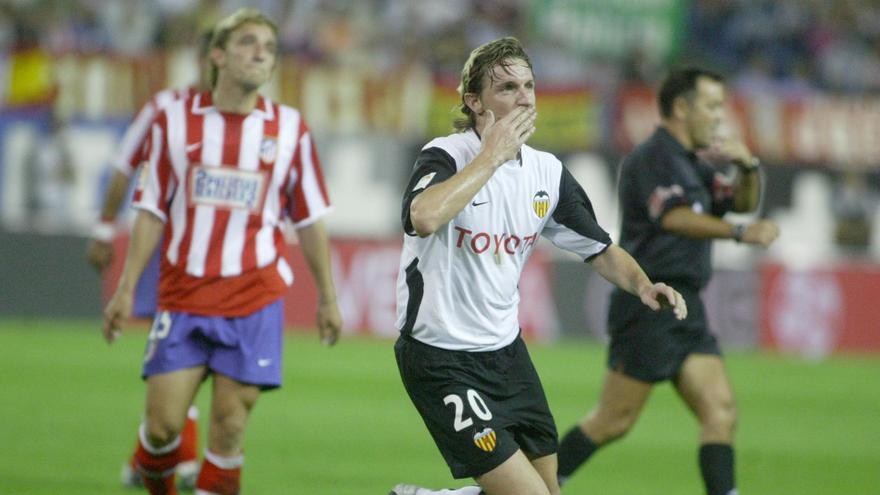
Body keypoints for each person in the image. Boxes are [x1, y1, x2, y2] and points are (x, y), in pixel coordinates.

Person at [389, 37, 687, 495]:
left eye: (528, 85)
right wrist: (491, 157)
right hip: (440, 356)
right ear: (474, 102)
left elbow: (599, 248)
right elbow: (423, 218)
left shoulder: (545, 173)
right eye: (507, 88)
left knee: (549, 491)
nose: (524, 98)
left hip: (506, 354)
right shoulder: (447, 154)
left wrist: (644, 285)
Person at [102, 8, 342, 495]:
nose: (260, 54)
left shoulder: (289, 129)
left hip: (254, 297)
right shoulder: (173, 121)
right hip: (183, 295)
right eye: (248, 42)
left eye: (269, 48)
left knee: (229, 427)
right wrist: (126, 288)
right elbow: (150, 209)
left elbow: (309, 219)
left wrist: (328, 298)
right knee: (163, 429)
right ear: (218, 55)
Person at [556, 67, 780, 495]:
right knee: (613, 421)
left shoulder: (694, 165)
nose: (719, 115)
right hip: (650, 301)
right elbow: (673, 217)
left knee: (720, 412)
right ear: (681, 107)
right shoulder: (652, 158)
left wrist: (747, 166)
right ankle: (534, 485)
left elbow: (739, 202)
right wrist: (738, 233)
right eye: (712, 105)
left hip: (687, 305)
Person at [86, 28, 215, 490]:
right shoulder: (165, 108)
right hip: (166, 244)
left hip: (217, 254)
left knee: (187, 355)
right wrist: (105, 228)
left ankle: (150, 456)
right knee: (177, 350)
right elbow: (125, 165)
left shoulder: (249, 118)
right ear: (206, 59)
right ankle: (178, 458)